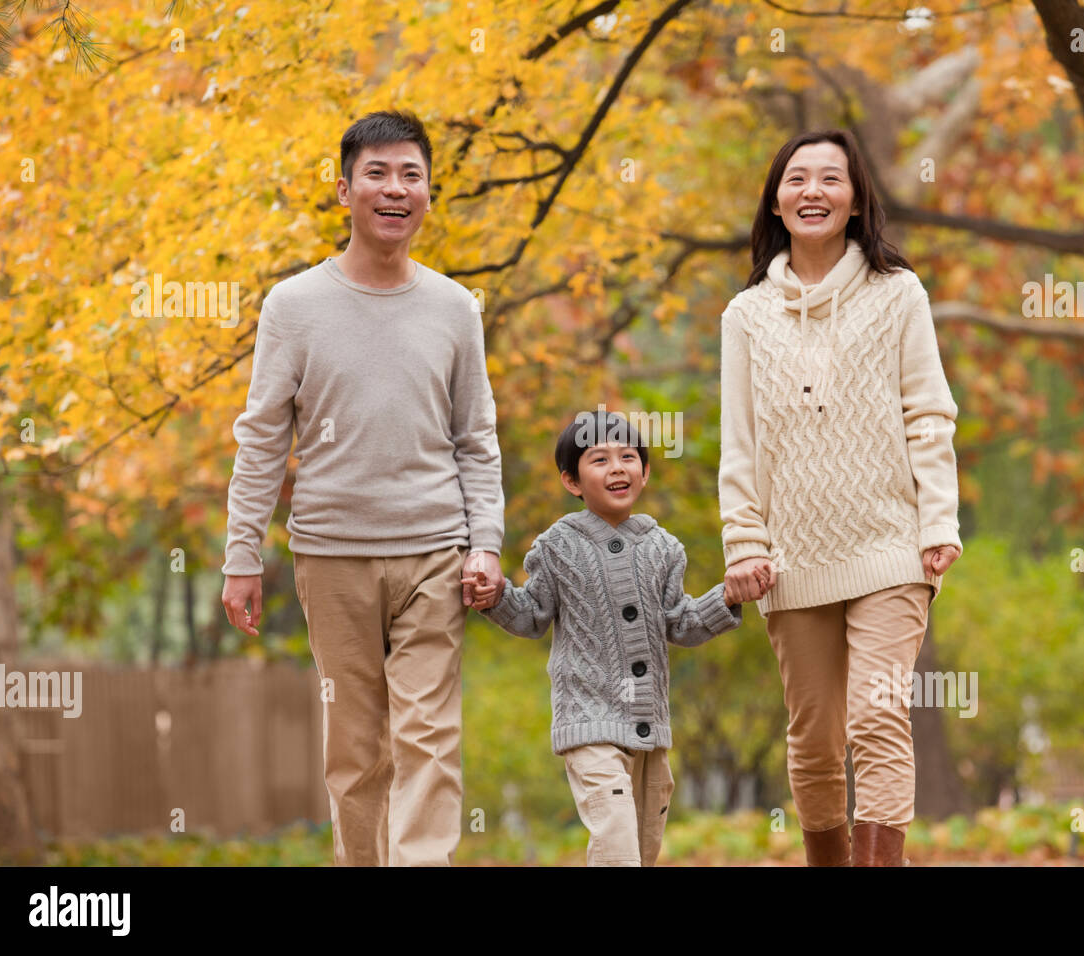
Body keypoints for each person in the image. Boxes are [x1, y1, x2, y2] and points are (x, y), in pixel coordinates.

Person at [220, 109, 505, 866]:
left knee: (429, 735)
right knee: (354, 751)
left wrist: (486, 543)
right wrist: (240, 555)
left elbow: (476, 437)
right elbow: (262, 436)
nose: (395, 188)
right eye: (377, 173)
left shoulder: (453, 308)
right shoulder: (294, 306)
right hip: (331, 555)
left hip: (433, 554)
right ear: (344, 190)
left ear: (429, 195)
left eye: (411, 174)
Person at [718, 129, 962, 867]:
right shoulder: (745, 315)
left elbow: (929, 412)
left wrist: (938, 519)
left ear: (856, 200)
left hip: (891, 546)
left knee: (878, 715)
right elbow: (741, 441)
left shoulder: (898, 294)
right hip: (791, 558)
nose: (813, 191)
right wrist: (744, 541)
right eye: (797, 179)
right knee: (814, 736)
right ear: (777, 200)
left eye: (831, 178)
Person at [469, 410, 749, 866]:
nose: (617, 467)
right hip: (589, 724)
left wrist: (726, 599)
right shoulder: (556, 547)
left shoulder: (664, 548)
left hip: (651, 730)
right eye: (599, 459)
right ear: (571, 481)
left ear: (645, 472)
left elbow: (680, 623)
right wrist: (495, 596)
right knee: (616, 842)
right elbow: (532, 616)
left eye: (628, 457)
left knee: (643, 850)